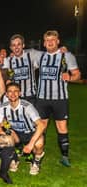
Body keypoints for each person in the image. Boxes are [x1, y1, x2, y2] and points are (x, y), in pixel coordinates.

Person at [35, 30, 81, 167]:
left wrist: (71, 77)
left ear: (58, 41)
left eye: (53, 40)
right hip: (42, 98)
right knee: (40, 127)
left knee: (62, 127)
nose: (50, 42)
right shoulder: (40, 56)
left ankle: (65, 157)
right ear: (44, 43)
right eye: (47, 40)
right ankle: (38, 153)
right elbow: (25, 57)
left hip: (60, 99)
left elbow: (77, 74)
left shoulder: (67, 56)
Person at [0, 82, 46, 175]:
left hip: (30, 133)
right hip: (16, 134)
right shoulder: (3, 107)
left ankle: (36, 161)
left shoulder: (27, 106)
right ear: (6, 94)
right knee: (3, 139)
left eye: (16, 91)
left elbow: (41, 125)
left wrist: (31, 144)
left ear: (20, 93)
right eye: (10, 91)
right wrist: (5, 137)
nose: (13, 94)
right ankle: (14, 158)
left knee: (39, 145)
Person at [3, 34, 42, 104]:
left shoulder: (31, 55)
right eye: (14, 45)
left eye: (19, 44)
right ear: (11, 48)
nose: (16, 47)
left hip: (30, 96)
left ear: (23, 45)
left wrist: (60, 50)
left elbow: (48, 55)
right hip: (15, 97)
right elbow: (4, 75)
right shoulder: (8, 60)